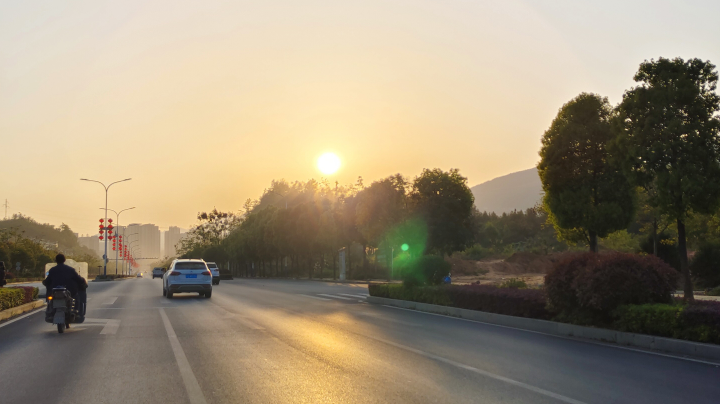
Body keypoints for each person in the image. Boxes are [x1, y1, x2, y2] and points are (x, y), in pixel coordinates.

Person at [43, 254, 87, 327]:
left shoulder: (52, 270)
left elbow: (47, 281)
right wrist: (83, 281)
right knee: (77, 297)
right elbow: (78, 279)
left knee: (50, 299)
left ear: (56, 260)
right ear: (64, 260)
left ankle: (50, 311)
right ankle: (76, 311)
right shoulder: (70, 269)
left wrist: (45, 282)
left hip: (55, 292)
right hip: (69, 291)